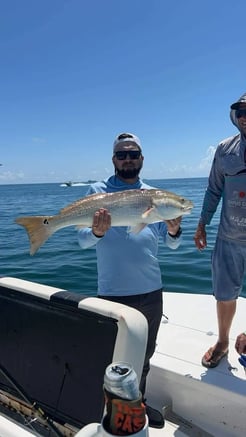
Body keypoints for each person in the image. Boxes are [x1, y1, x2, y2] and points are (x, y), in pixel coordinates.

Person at [78, 132, 183, 428]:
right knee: (112, 357)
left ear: (141, 159)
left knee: (145, 355)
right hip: (112, 291)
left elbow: (172, 243)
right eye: (122, 154)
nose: (127, 159)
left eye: (133, 154)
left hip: (150, 290)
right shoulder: (98, 192)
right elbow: (83, 241)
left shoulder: (156, 196)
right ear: (113, 159)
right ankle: (107, 411)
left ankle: (138, 406)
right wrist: (96, 232)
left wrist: (174, 229)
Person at [194, 93, 246, 368]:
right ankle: (223, 341)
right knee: (224, 294)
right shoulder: (225, 149)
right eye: (241, 111)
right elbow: (214, 189)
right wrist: (202, 223)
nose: (245, 116)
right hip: (229, 237)